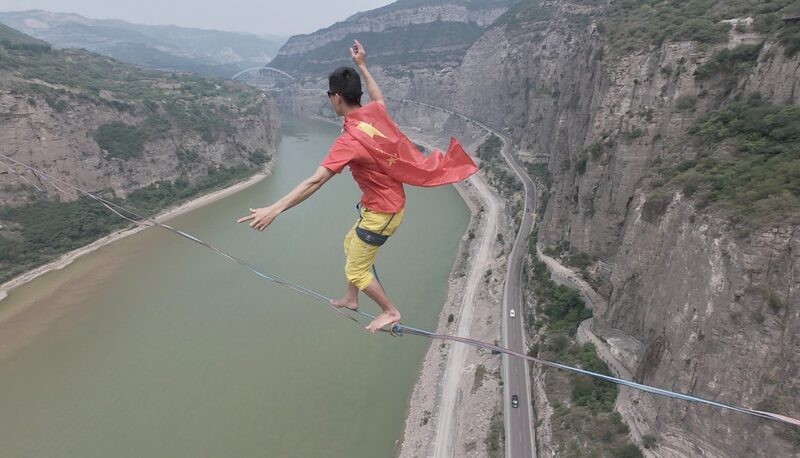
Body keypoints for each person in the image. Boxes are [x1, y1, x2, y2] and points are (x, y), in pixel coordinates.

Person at [237, 40, 476, 333]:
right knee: (350, 243)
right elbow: (379, 97)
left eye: (329, 96)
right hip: (383, 208)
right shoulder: (374, 114)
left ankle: (390, 311)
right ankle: (352, 298)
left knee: (356, 268)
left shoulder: (350, 141)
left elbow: (315, 181)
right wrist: (362, 64)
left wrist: (274, 209)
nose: (329, 101)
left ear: (336, 97)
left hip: (382, 214)